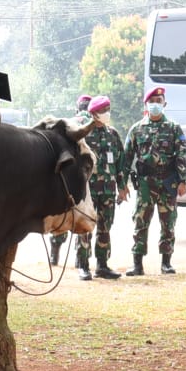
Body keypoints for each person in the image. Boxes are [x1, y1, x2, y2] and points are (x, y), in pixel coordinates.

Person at [123, 86, 186, 276]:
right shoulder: (137, 129)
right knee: (140, 221)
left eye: (158, 102)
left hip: (167, 181)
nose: (155, 105)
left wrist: (182, 180)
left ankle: (166, 263)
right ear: (146, 104)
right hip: (145, 183)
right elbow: (127, 158)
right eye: (152, 102)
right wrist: (122, 185)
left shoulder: (173, 128)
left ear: (164, 104)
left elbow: (182, 155)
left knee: (168, 222)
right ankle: (137, 264)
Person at [70, 95, 128, 281]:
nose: (106, 114)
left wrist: (122, 187)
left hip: (108, 191)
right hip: (88, 190)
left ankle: (102, 265)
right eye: (103, 111)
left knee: (105, 227)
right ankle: (83, 266)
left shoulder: (112, 134)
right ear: (93, 113)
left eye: (108, 110)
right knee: (85, 227)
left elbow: (120, 163)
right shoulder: (83, 133)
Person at [49, 93, 98, 265]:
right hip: (70, 183)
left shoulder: (103, 130)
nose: (84, 111)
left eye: (87, 107)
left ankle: (81, 262)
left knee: (83, 220)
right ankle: (56, 254)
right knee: (64, 215)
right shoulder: (68, 129)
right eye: (83, 107)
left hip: (96, 186)